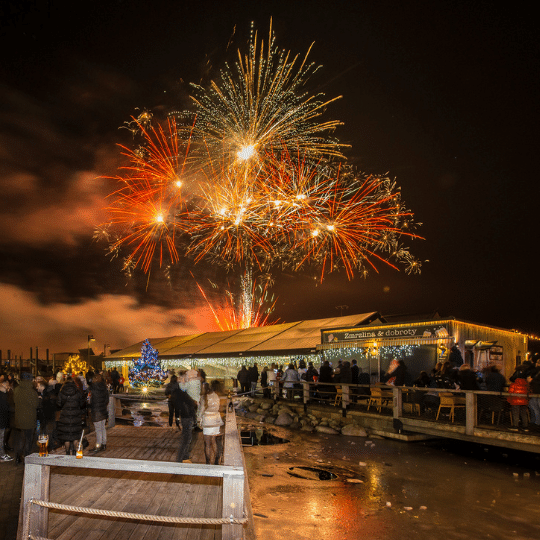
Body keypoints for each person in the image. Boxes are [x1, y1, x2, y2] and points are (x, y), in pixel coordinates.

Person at [13, 372, 39, 464]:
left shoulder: (16, 390)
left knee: (21, 438)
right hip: (29, 418)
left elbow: (14, 401)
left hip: (19, 418)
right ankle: (27, 457)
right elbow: (36, 405)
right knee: (29, 439)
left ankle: (17, 457)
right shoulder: (32, 392)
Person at [57, 376, 86, 455]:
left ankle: (67, 452)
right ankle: (74, 451)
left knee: (66, 436)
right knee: (75, 435)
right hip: (75, 416)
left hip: (65, 416)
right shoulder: (77, 391)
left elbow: (59, 404)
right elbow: (81, 403)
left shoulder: (62, 392)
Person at [198, 380, 224, 465]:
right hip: (216, 420)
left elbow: (201, 410)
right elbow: (218, 406)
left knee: (207, 444)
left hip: (208, 421)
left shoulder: (203, 397)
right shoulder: (215, 395)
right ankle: (216, 460)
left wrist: (198, 419)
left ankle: (208, 462)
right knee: (214, 441)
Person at [171, 385, 198, 463]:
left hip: (183, 417)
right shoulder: (183, 394)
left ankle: (185, 456)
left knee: (186, 437)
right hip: (188, 417)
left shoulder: (177, 395)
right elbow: (192, 404)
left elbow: (177, 409)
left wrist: (177, 420)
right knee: (186, 439)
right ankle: (180, 459)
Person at [89, 374, 109, 452]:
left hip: (96, 410)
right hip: (103, 410)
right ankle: (104, 444)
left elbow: (89, 400)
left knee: (98, 429)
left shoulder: (92, 388)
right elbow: (107, 400)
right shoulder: (104, 388)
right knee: (102, 428)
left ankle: (98, 445)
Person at [0, 375, 13, 461]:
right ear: (3, 385)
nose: (9, 386)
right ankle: (2, 455)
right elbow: (6, 408)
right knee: (1, 438)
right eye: (7, 385)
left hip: (2, 420)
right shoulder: (2, 396)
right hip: (1, 421)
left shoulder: (4, 394)